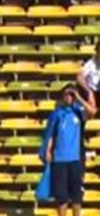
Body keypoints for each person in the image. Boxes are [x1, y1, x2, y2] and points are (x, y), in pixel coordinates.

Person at [40, 84, 96, 216]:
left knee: (77, 197)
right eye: (67, 94)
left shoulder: (79, 112)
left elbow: (92, 111)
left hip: (76, 160)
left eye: (71, 94)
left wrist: (78, 97)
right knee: (61, 198)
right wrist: (48, 150)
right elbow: (51, 134)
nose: (69, 97)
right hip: (59, 160)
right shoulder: (57, 114)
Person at [77, 41, 100, 108]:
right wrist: (89, 91)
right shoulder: (90, 63)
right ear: (97, 51)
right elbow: (79, 77)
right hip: (92, 91)